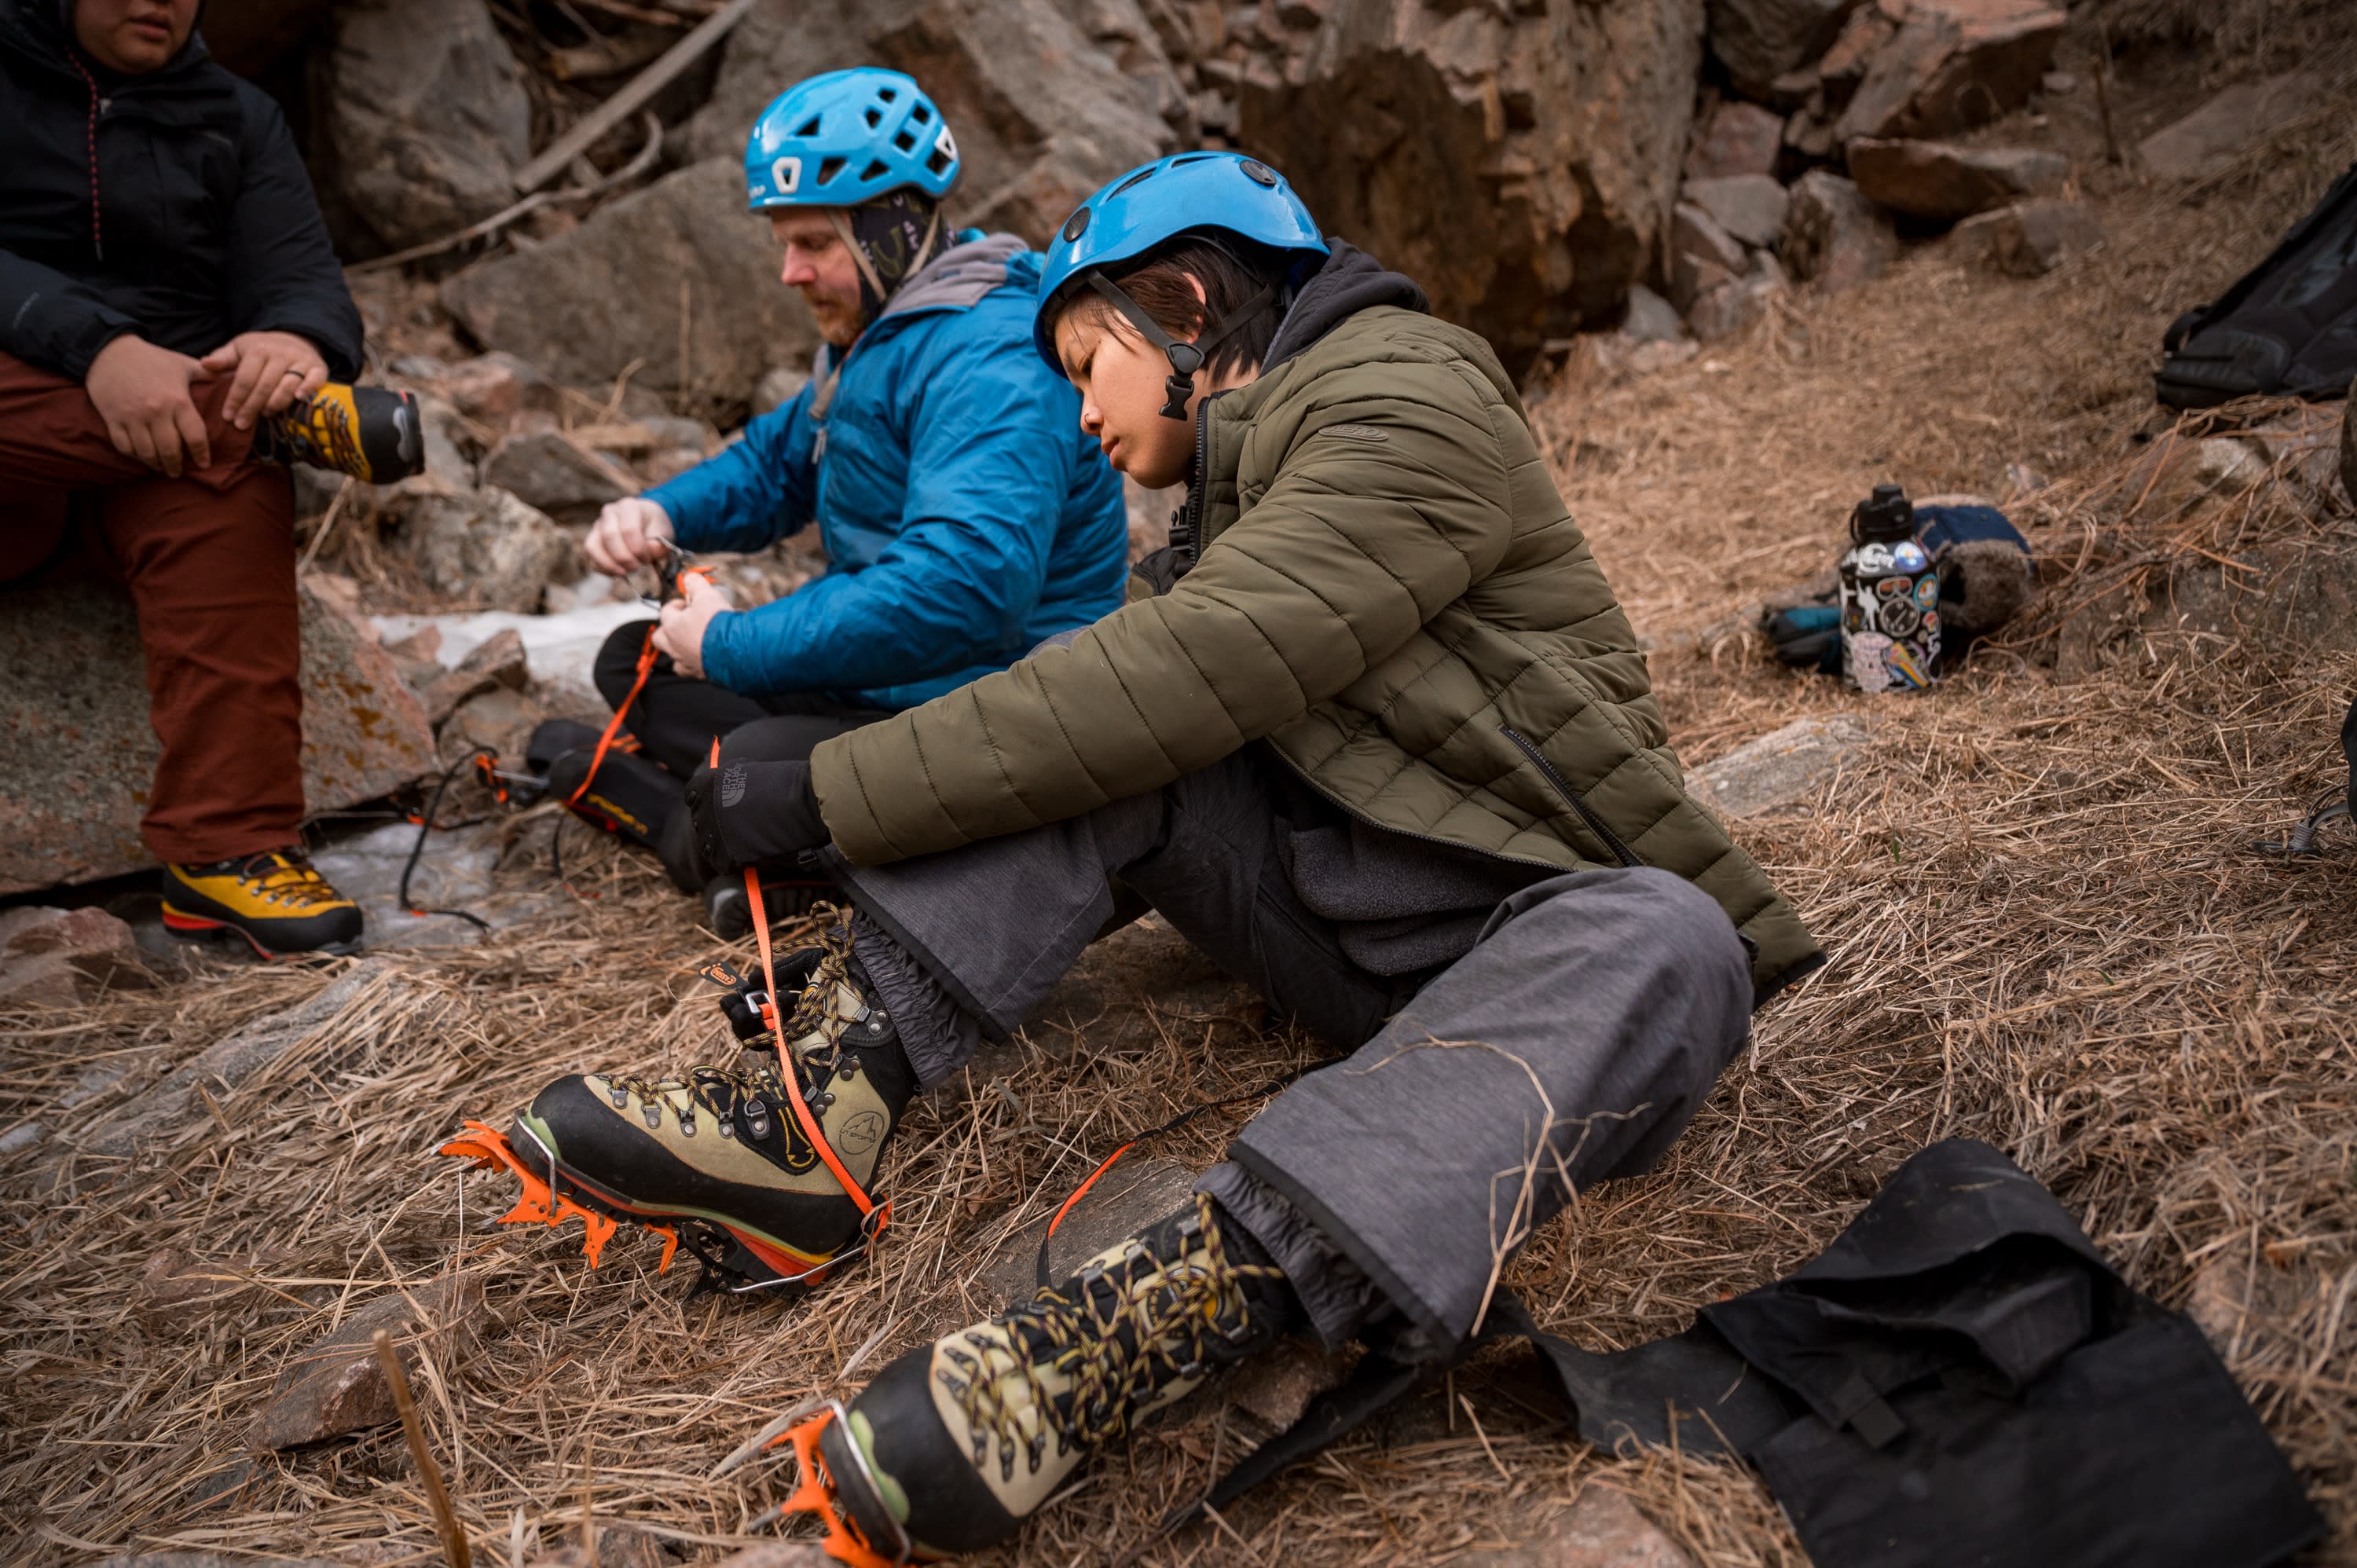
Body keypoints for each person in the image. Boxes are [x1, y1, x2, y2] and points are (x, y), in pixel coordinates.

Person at [452, 153, 1821, 1556]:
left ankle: (1166, 1313)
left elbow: (1191, 667)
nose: (1077, 406)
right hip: (1366, 919)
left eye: (1086, 361)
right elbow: (1119, 696)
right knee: (1107, 711)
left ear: (1180, 303)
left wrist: (831, 793)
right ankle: (815, 1103)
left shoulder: (1410, 395)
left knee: (1671, 936)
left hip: (1528, 952)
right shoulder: (1243, 480)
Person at [559, 67, 1131, 932]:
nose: (790, 272)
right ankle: (748, 839)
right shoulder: (882, 336)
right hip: (893, 684)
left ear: (894, 228)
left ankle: (718, 834)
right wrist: (661, 513)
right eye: (784, 244)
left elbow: (963, 590)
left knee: (745, 766)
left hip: (988, 708)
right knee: (632, 660)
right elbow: (775, 468)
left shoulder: (993, 362)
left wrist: (733, 644)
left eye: (815, 245)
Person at [1, 0, 423, 957]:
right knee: (235, 444)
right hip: (28, 431)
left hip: (154, 463)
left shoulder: (233, 114)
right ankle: (257, 430)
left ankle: (224, 852)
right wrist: (99, 348)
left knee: (226, 493)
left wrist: (298, 341)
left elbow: (303, 278)